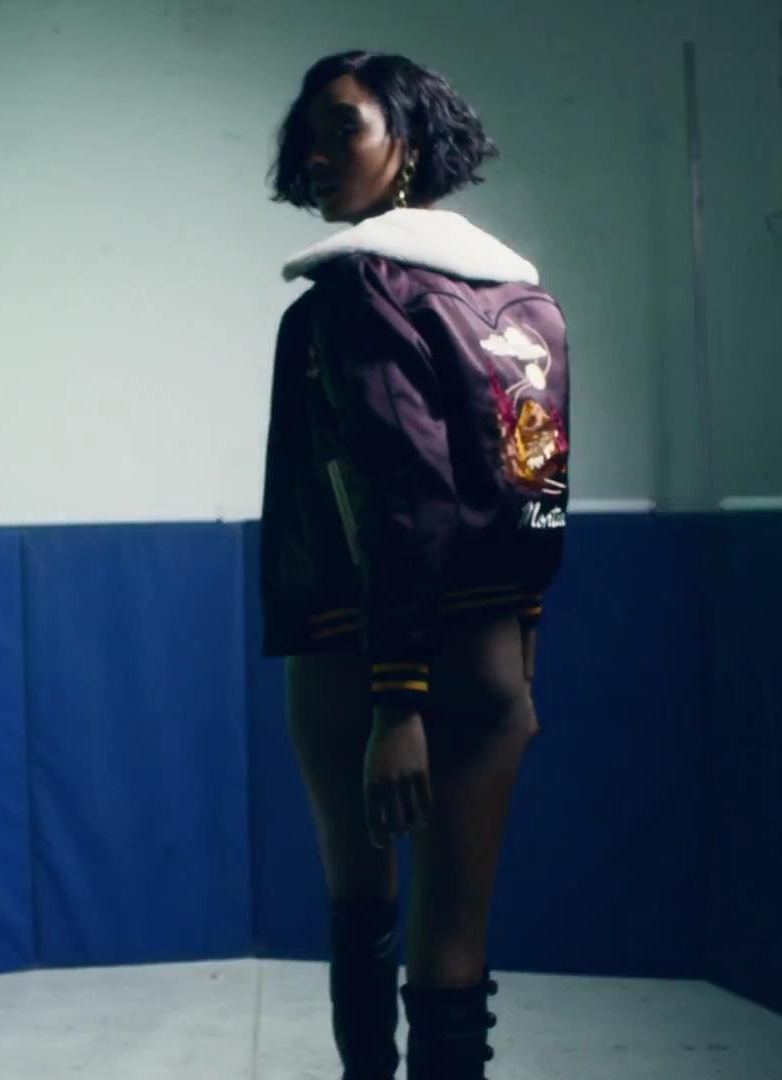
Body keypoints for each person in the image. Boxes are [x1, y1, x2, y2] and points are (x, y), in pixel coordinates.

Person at [258, 50, 572, 1080]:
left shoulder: (352, 294)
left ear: (413, 141)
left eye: (343, 126)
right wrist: (522, 650)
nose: (316, 151)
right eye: (307, 132)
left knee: (365, 900)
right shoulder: (524, 301)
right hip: (490, 658)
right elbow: (537, 490)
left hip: (362, 655)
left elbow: (406, 495)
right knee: (457, 943)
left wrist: (398, 702)